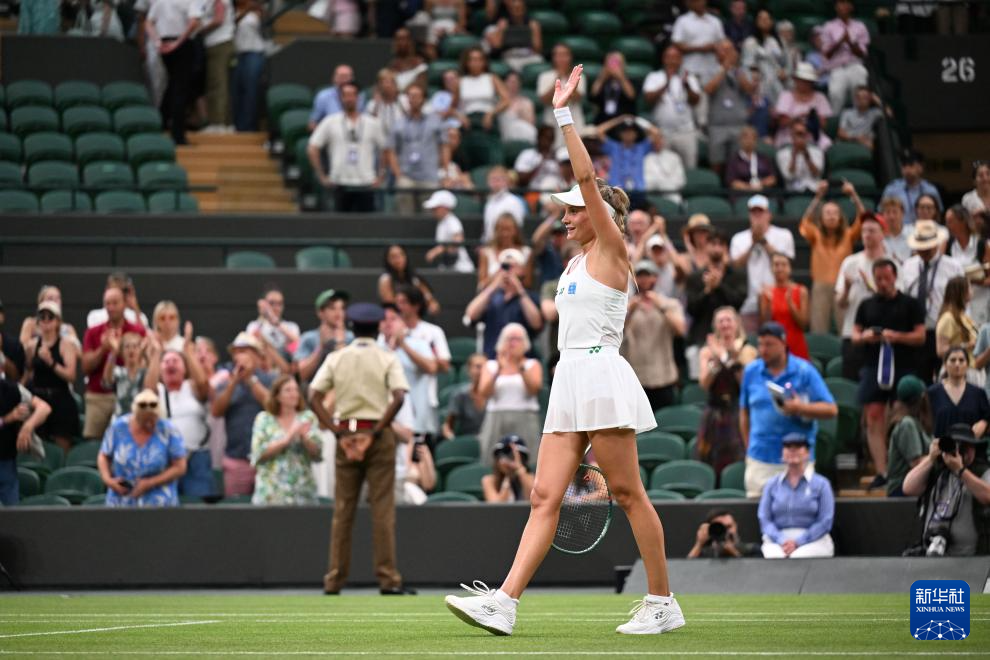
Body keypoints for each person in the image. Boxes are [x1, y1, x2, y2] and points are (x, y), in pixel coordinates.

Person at [445, 65, 684, 636]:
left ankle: (662, 602)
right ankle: (504, 602)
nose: (565, 217)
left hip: (601, 374)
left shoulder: (612, 249)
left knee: (627, 493)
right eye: (567, 210)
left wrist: (562, 114)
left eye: (574, 209)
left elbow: (583, 174)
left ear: (599, 213)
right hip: (568, 377)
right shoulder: (575, 262)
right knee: (543, 494)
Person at [308, 303, 413, 595]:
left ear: (352, 328)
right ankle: (388, 579)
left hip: (346, 436)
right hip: (377, 436)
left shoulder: (337, 357)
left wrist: (337, 432)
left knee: (342, 511)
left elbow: (313, 395)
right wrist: (376, 432)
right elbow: (399, 397)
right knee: (382, 511)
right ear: (378, 328)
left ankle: (334, 579)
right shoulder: (387, 357)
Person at [852, 258, 927, 488]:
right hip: (873, 366)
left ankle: (904, 469)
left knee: (901, 417)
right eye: (878, 279)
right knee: (873, 417)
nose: (882, 283)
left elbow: (920, 336)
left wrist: (896, 337)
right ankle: (882, 471)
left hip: (903, 366)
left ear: (895, 276)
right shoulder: (866, 305)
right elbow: (854, 335)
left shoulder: (910, 304)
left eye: (886, 278)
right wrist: (865, 337)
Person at [740, 322, 838, 498]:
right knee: (758, 510)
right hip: (760, 459)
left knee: (800, 509)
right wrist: (749, 447)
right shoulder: (751, 371)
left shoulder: (804, 371)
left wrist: (801, 408)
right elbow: (744, 412)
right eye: (760, 344)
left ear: (783, 343)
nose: (763, 350)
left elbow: (831, 409)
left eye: (769, 344)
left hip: (797, 457)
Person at [902, 423, 990, 557]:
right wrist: (931, 458)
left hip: (970, 559)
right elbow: (908, 487)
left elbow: (988, 496)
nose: (960, 452)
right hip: (933, 553)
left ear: (974, 449)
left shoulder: (981, 471)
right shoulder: (937, 470)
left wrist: (960, 471)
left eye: (965, 446)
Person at [146, 332, 214, 497]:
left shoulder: (191, 387)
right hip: (166, 459)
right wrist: (156, 354)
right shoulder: (158, 391)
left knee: (198, 504)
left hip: (196, 458)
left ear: (185, 368)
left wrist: (188, 353)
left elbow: (203, 383)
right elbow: (148, 391)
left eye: (176, 361)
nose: (171, 364)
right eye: (166, 362)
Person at [98, 388, 188, 507]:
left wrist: (150, 483)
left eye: (152, 420)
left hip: (159, 501)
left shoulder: (168, 430)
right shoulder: (118, 428)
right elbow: (103, 455)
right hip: (121, 500)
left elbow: (180, 467)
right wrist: (108, 480)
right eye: (145, 421)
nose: (149, 424)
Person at [899, 220, 965, 383]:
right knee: (920, 379)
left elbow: (962, 301)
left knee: (945, 379)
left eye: (927, 247)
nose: (924, 251)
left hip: (943, 332)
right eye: (920, 248)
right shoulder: (908, 266)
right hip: (916, 332)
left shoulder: (953, 267)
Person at [307, 81, 387, 213]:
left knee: (367, 223)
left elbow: (385, 149)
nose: (349, 99)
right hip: (339, 183)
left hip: (366, 183)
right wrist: (321, 175)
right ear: (341, 98)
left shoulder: (372, 123)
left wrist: (381, 175)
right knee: (340, 224)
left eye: (352, 95)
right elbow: (312, 147)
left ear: (358, 97)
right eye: (345, 95)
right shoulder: (330, 121)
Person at [211, 332, 274, 496]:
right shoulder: (226, 381)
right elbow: (216, 411)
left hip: (267, 459)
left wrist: (250, 380)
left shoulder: (269, 380)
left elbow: (273, 406)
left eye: (245, 351)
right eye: (237, 352)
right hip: (236, 461)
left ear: (257, 355)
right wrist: (234, 382)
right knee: (236, 508)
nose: (240, 356)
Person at [696, 307, 757, 474]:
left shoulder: (747, 350)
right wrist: (717, 361)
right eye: (720, 321)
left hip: (738, 412)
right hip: (714, 413)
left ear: (737, 324)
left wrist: (726, 357)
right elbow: (704, 384)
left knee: (737, 458)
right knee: (710, 461)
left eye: (728, 320)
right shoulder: (707, 351)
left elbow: (747, 383)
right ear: (715, 326)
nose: (725, 324)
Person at [799, 180, 866, 334]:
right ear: (821, 218)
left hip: (843, 287)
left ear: (840, 217)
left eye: (835, 213)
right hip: (820, 286)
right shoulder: (816, 235)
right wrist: (817, 197)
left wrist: (853, 195)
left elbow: (864, 220)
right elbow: (804, 223)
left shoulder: (848, 235)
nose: (831, 216)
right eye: (827, 213)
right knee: (818, 329)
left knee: (845, 328)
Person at [81, 286, 147, 440]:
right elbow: (85, 367)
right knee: (93, 443)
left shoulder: (137, 331)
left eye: (115, 303)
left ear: (124, 304)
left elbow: (143, 365)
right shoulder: (93, 332)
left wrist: (121, 350)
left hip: (130, 397)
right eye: (107, 303)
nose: (111, 307)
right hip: (98, 396)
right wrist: (103, 349)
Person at [621, 260, 686, 411]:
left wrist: (661, 307)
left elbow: (681, 330)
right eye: (640, 276)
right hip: (637, 377)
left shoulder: (670, 304)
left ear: (655, 278)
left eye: (647, 275)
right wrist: (629, 311)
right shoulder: (626, 306)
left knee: (665, 419)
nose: (644, 280)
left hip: (663, 376)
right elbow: (615, 332)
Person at [758, 432, 836, 558]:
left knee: (799, 556)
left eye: (798, 446)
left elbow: (825, 520)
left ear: (807, 453)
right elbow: (764, 519)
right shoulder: (772, 484)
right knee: (775, 556)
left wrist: (799, 541)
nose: (792, 450)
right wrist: (781, 539)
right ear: (782, 453)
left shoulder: (821, 484)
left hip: (814, 539)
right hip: (778, 539)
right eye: (788, 447)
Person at [249, 375, 322, 505]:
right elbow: (258, 454)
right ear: (277, 396)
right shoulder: (264, 419)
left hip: (302, 492)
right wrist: (287, 438)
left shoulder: (308, 417)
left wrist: (304, 438)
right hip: (271, 492)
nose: (294, 394)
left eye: (296, 390)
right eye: (288, 390)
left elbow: (318, 454)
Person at [474, 323, 543, 462]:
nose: (513, 343)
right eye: (510, 339)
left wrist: (520, 366)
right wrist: (498, 370)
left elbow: (534, 390)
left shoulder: (532, 364)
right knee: (491, 459)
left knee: (529, 459)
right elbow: (484, 392)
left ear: (525, 343)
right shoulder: (491, 365)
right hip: (496, 417)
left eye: (518, 339)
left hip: (525, 417)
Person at [730, 194, 796, 333]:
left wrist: (763, 241)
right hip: (748, 302)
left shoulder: (784, 235)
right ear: (749, 216)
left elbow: (786, 262)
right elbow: (735, 266)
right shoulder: (738, 238)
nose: (757, 216)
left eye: (761, 212)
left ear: (769, 215)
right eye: (754, 212)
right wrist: (753, 243)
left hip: (778, 300)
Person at [835, 213, 889, 380]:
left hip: (882, 336)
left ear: (882, 234)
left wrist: (871, 286)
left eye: (872, 231)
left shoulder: (891, 264)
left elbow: (895, 299)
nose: (867, 235)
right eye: (864, 231)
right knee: (850, 383)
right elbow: (840, 303)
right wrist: (846, 289)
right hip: (852, 334)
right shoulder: (850, 262)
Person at [465, 248, 543, 358]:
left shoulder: (530, 297)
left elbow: (536, 323)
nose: (507, 271)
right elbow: (471, 315)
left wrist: (519, 290)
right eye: (504, 266)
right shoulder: (491, 297)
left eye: (512, 267)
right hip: (493, 358)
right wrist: (493, 285)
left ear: (521, 270)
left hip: (522, 359)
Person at [23, 301, 80, 453]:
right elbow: (28, 372)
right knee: (37, 447)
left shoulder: (66, 345)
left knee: (61, 449)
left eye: (50, 317)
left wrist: (51, 362)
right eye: (42, 317)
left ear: (58, 321)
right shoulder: (32, 346)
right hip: (38, 398)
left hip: (61, 400)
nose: (46, 321)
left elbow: (71, 376)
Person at [145, 0, 203, 144]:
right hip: (182, 42)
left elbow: (148, 23)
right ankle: (178, 134)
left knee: (173, 83)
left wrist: (157, 42)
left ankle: (162, 122)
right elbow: (194, 22)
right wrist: (178, 42)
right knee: (180, 88)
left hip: (165, 42)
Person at [386, 84, 449, 214]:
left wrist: (444, 170)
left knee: (429, 216)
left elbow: (444, 146)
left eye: (417, 96)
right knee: (405, 215)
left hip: (429, 175)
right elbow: (391, 150)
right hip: (406, 176)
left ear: (423, 99)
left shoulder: (435, 121)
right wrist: (398, 174)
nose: (413, 99)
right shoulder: (398, 123)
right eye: (411, 96)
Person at [685, 229, 749, 349]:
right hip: (701, 337)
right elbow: (691, 309)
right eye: (713, 244)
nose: (716, 248)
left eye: (721, 244)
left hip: (731, 338)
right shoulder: (695, 277)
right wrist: (707, 290)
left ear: (726, 248)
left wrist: (719, 286)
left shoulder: (738, 275)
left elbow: (738, 303)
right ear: (706, 247)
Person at [642, 46, 702, 169]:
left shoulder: (689, 78)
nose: (672, 61)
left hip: (686, 132)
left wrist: (687, 86)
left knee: (690, 167)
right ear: (664, 59)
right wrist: (666, 83)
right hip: (663, 132)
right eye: (669, 57)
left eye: (676, 57)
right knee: (665, 168)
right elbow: (648, 99)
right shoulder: (655, 76)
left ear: (681, 60)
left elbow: (696, 101)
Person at [704, 40, 756, 175]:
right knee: (716, 162)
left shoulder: (741, 70)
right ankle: (716, 186)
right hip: (717, 125)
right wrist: (724, 68)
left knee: (737, 164)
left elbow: (749, 89)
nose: (727, 53)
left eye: (730, 50)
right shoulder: (709, 69)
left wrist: (736, 69)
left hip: (738, 125)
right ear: (717, 53)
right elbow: (708, 89)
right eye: (724, 50)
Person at [0, 380, 51, 505]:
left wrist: (28, 426)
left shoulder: (11, 389)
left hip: (6, 460)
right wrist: (8, 418)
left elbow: (44, 408)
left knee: (12, 511)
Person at [927, 347, 990, 440]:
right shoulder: (933, 393)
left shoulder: (978, 393)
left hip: (970, 447)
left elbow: (987, 416)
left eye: (961, 360)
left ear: (967, 364)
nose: (957, 364)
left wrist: (984, 423)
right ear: (945, 364)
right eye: (953, 360)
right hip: (940, 446)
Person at [886, 375, 933, 497]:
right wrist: (939, 456)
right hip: (901, 489)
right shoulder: (907, 424)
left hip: (916, 486)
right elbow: (916, 463)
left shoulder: (916, 422)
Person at [820, 0, 870, 113]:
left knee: (860, 91)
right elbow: (827, 54)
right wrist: (840, 42)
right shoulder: (829, 26)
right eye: (840, 3)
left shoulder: (860, 26)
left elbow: (863, 54)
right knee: (835, 94)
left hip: (855, 65)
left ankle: (859, 119)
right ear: (836, 7)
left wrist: (850, 43)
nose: (843, 6)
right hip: (837, 67)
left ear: (851, 7)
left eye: (846, 3)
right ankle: (835, 121)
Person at [945, 205, 990, 327]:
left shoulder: (981, 245)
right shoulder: (948, 245)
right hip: (956, 305)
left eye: (951, 221)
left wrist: (974, 280)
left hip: (979, 303)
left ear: (962, 221)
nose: (948, 225)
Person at [295, 289, 352, 384]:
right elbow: (301, 375)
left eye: (342, 308)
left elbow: (352, 373)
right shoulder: (308, 338)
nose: (338, 312)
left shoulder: (351, 338)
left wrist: (341, 342)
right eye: (332, 308)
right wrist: (321, 347)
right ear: (320, 312)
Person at [759, 254, 809, 359]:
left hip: (796, 345)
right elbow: (764, 325)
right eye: (776, 265)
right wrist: (768, 304)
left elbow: (804, 325)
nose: (780, 268)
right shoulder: (765, 293)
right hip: (774, 348)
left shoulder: (801, 291)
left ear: (790, 268)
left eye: (784, 264)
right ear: (771, 268)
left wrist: (791, 304)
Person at [773, 62, 832, 149]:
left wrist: (813, 118)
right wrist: (798, 118)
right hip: (789, 134)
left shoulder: (820, 97)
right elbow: (782, 122)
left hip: (813, 135)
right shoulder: (785, 95)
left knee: (826, 144)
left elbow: (824, 124)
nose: (804, 83)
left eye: (807, 81)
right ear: (795, 80)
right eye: (801, 80)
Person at [595, 115, 656, 196]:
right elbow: (598, 131)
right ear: (620, 134)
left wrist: (637, 120)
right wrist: (619, 119)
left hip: (638, 191)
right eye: (625, 131)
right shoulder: (614, 147)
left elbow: (656, 133)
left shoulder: (641, 147)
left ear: (636, 134)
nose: (628, 134)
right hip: (616, 191)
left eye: (631, 131)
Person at [537, 43, 585, 144]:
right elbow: (544, 100)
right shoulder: (544, 76)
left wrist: (568, 78)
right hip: (552, 122)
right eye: (558, 55)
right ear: (553, 57)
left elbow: (578, 98)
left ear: (570, 57)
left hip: (574, 121)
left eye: (564, 55)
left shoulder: (579, 76)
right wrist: (558, 78)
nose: (561, 58)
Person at [199, 0, 235, 133]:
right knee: (220, 84)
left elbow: (218, 19)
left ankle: (217, 123)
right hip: (218, 43)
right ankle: (226, 123)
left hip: (219, 43)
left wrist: (197, 29)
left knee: (217, 84)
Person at [880, 150, 943, 225]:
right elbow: (881, 213)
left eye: (911, 165)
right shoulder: (892, 189)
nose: (907, 169)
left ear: (920, 167)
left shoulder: (930, 190)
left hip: (925, 228)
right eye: (904, 165)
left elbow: (938, 215)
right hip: (900, 230)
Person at [458, 46, 510, 136]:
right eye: (472, 60)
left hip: (488, 118)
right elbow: (451, 106)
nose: (476, 63)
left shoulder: (492, 78)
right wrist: (460, 116)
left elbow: (506, 101)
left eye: (479, 60)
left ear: (484, 62)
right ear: (466, 62)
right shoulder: (460, 81)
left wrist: (492, 113)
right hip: (468, 121)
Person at [231, 0, 266, 132]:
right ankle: (238, 125)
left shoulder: (256, 10)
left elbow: (262, 22)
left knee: (251, 90)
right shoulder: (232, 11)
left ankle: (249, 126)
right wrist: (245, 11)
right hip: (238, 54)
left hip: (254, 53)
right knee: (237, 91)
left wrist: (253, 8)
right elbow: (231, 24)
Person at [378, 244, 441, 316]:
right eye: (393, 256)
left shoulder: (414, 278)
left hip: (416, 317)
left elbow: (428, 296)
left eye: (401, 254)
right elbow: (390, 305)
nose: (398, 259)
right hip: (397, 318)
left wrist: (432, 303)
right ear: (387, 260)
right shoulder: (385, 279)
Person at [671, 0, 725, 82]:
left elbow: (722, 43)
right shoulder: (682, 21)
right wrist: (700, 48)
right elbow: (677, 44)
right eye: (695, 1)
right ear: (689, 3)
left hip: (712, 69)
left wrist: (715, 47)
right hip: (690, 69)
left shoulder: (715, 21)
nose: (699, 3)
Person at [481, 0, 542, 72]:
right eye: (514, 9)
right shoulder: (503, 23)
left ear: (524, 9)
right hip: (510, 57)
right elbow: (497, 45)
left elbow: (538, 48)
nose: (517, 11)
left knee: (540, 62)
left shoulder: (532, 24)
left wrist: (533, 31)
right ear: (510, 10)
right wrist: (501, 31)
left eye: (519, 8)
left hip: (529, 56)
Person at [423, 190, 475, 273]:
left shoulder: (452, 221)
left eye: (436, 208)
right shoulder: (442, 222)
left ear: (445, 207)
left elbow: (458, 240)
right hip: (449, 268)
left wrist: (436, 251)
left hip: (460, 269)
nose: (433, 211)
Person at [740, 10, 786, 104]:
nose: (764, 21)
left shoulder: (778, 41)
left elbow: (784, 63)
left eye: (767, 18)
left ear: (771, 21)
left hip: (777, 84)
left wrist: (783, 71)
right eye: (761, 18)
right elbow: (748, 66)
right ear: (756, 22)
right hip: (759, 85)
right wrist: (753, 81)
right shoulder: (750, 42)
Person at [20, 285, 80, 351]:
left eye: (58, 298)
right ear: (41, 301)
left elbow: (78, 352)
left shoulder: (68, 329)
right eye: (50, 298)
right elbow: (22, 349)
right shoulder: (30, 323)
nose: (55, 301)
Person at [935, 277, 978, 370]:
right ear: (962, 292)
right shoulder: (948, 318)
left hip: (970, 368)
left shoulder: (963, 316)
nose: (972, 290)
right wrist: (966, 346)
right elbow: (941, 350)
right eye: (969, 287)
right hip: (955, 371)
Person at [442, 353, 487, 440]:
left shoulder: (495, 394)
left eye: (485, 368)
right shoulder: (460, 395)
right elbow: (448, 426)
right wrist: (453, 440)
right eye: (478, 367)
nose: (482, 371)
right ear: (469, 370)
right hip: (467, 440)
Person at [309, 64, 366, 131]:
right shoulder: (323, 96)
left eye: (347, 76)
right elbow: (312, 124)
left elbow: (364, 119)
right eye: (341, 76)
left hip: (355, 133)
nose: (344, 80)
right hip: (330, 133)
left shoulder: (360, 96)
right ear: (334, 78)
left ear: (352, 79)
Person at [775, 119, 824, 193]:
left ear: (807, 134)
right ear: (792, 135)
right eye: (798, 134)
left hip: (814, 190)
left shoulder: (817, 151)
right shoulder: (782, 153)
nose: (801, 137)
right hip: (793, 192)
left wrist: (807, 155)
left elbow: (817, 174)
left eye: (803, 134)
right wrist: (794, 156)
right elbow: (788, 176)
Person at [687, 508, 760, 558]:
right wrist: (699, 544)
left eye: (729, 527)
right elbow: (686, 572)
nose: (726, 532)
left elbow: (756, 573)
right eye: (720, 528)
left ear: (736, 526)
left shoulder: (751, 550)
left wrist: (734, 553)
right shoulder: (704, 554)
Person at [482, 435, 534, 502]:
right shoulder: (489, 481)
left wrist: (520, 469)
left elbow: (534, 499)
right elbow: (496, 506)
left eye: (515, 455)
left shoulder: (531, 478)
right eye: (504, 454)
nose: (510, 458)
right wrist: (508, 477)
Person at [481, 166, 526, 243]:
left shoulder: (514, 201)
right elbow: (487, 230)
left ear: (506, 182)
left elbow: (517, 227)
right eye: (492, 179)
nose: (495, 183)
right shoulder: (489, 203)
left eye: (498, 180)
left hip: (507, 243)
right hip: (490, 244)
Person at [724, 125, 776, 193]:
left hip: (763, 192)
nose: (749, 141)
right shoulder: (734, 160)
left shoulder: (764, 158)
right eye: (746, 138)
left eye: (752, 138)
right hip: (742, 194)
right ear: (740, 140)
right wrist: (749, 188)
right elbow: (732, 181)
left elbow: (772, 178)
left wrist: (761, 184)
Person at [590, 51, 638, 125]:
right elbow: (593, 95)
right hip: (603, 120)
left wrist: (621, 78)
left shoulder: (631, 80)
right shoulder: (602, 80)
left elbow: (631, 96)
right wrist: (602, 78)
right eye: (610, 63)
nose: (613, 66)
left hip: (624, 120)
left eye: (617, 63)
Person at [365, 69, 410, 140]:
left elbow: (412, 120)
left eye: (390, 82)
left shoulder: (405, 100)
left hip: (402, 139)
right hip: (380, 139)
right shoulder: (372, 104)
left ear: (395, 85)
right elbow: (368, 126)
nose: (387, 85)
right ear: (379, 85)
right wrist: (376, 105)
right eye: (383, 82)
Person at [514, 126, 563, 191]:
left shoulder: (559, 156)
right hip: (533, 192)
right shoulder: (527, 154)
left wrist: (559, 163)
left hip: (557, 191)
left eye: (551, 139)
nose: (548, 142)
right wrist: (540, 163)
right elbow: (521, 180)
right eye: (545, 138)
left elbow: (568, 179)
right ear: (538, 138)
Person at [643, 129, 686, 201]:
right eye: (655, 140)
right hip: (652, 194)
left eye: (659, 139)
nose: (657, 142)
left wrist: (665, 183)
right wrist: (660, 182)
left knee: (675, 198)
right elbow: (646, 181)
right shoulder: (646, 159)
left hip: (671, 192)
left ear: (663, 140)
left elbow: (681, 180)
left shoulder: (674, 157)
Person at [837, 85, 883, 151]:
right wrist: (856, 138)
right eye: (858, 97)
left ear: (870, 99)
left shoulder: (874, 113)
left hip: (863, 143)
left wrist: (877, 100)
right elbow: (840, 133)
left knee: (870, 144)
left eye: (865, 97)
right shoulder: (847, 113)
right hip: (847, 141)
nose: (861, 100)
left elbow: (889, 114)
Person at [499, 71, 537, 144]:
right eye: (511, 82)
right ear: (504, 83)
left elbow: (531, 125)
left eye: (516, 82)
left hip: (524, 136)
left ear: (520, 84)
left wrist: (520, 113)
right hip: (504, 137)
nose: (513, 85)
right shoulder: (498, 103)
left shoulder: (526, 102)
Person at [387, 27, 428, 92]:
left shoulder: (419, 63)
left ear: (410, 41)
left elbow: (421, 87)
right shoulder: (392, 65)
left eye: (404, 39)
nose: (401, 42)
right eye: (398, 39)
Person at [880, 196, 912, 265]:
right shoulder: (878, 237)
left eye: (895, 212)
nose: (891, 217)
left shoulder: (913, 233)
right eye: (888, 212)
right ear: (883, 215)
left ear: (902, 214)